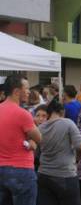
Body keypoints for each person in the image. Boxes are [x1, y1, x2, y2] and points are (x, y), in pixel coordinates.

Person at [0, 74, 42, 205]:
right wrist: (33, 141)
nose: (29, 92)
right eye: (27, 88)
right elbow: (39, 138)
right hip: (21, 170)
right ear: (17, 91)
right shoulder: (23, 114)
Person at [37, 101, 81, 205]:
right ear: (62, 111)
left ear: (48, 113)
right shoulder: (68, 123)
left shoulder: (40, 128)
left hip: (44, 174)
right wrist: (77, 159)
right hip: (65, 175)